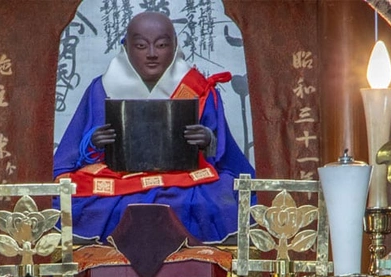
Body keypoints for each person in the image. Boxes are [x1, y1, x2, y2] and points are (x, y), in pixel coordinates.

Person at [53, 11, 254, 244]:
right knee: (68, 202)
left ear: (174, 45)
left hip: (185, 178)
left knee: (224, 200)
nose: (151, 54)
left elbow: (222, 154)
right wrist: (93, 142)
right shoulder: (102, 88)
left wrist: (208, 141)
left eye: (161, 45)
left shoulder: (197, 87)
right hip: (118, 178)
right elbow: (73, 154)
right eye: (140, 45)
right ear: (126, 47)